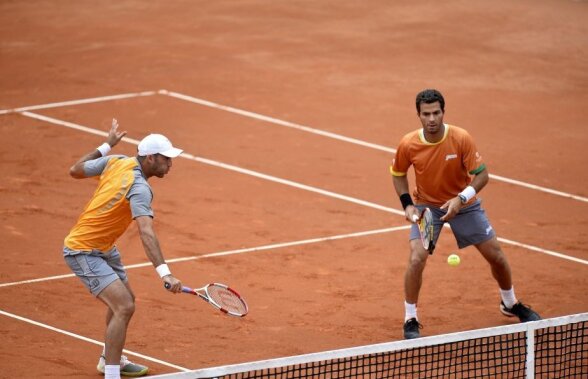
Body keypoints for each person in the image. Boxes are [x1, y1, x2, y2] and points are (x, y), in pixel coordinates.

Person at [390, 89, 541, 339]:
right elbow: (398, 174)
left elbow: (482, 175)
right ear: (418, 115)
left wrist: (460, 199)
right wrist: (407, 204)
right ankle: (410, 318)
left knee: (497, 256)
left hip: (463, 203)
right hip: (428, 208)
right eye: (426, 114)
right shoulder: (409, 144)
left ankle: (510, 302)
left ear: (443, 112)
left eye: (436, 113)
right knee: (417, 258)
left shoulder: (461, 138)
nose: (432, 119)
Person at [63, 119, 184, 378]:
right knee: (124, 306)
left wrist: (107, 145)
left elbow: (75, 170)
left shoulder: (116, 160)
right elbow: (146, 231)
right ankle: (111, 373)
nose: (170, 164)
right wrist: (166, 274)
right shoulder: (140, 188)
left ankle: (108, 358)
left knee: (124, 300)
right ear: (150, 158)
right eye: (166, 159)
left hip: (104, 248)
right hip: (82, 249)